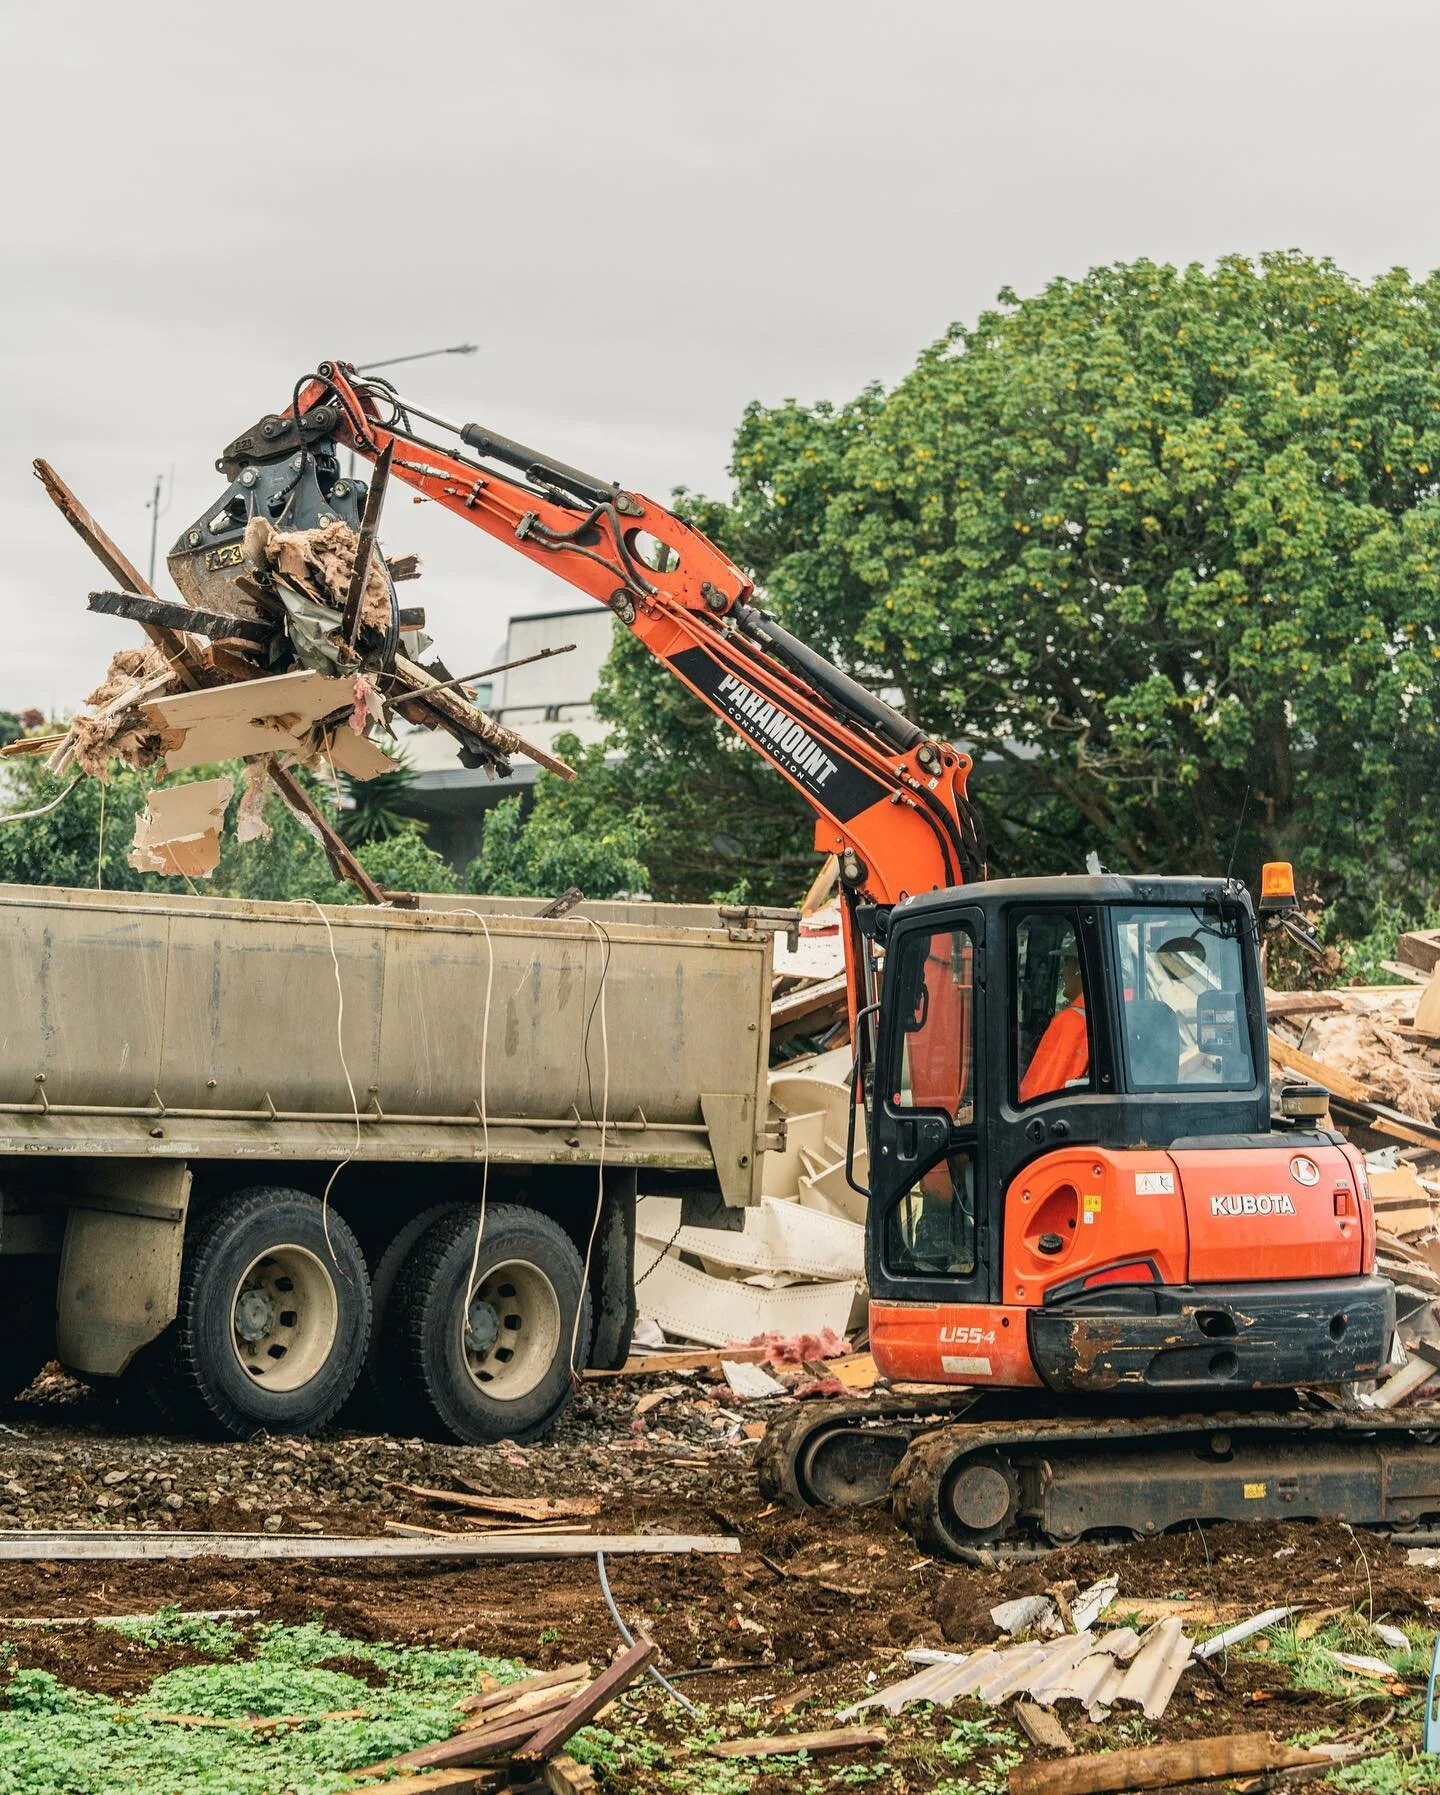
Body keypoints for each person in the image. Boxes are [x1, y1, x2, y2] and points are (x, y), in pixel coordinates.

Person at [1020, 953, 1088, 1101]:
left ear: (1079, 970)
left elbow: (1037, 1092)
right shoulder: (1094, 1018)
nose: (1062, 972)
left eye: (1067, 963)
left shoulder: (1069, 1022)